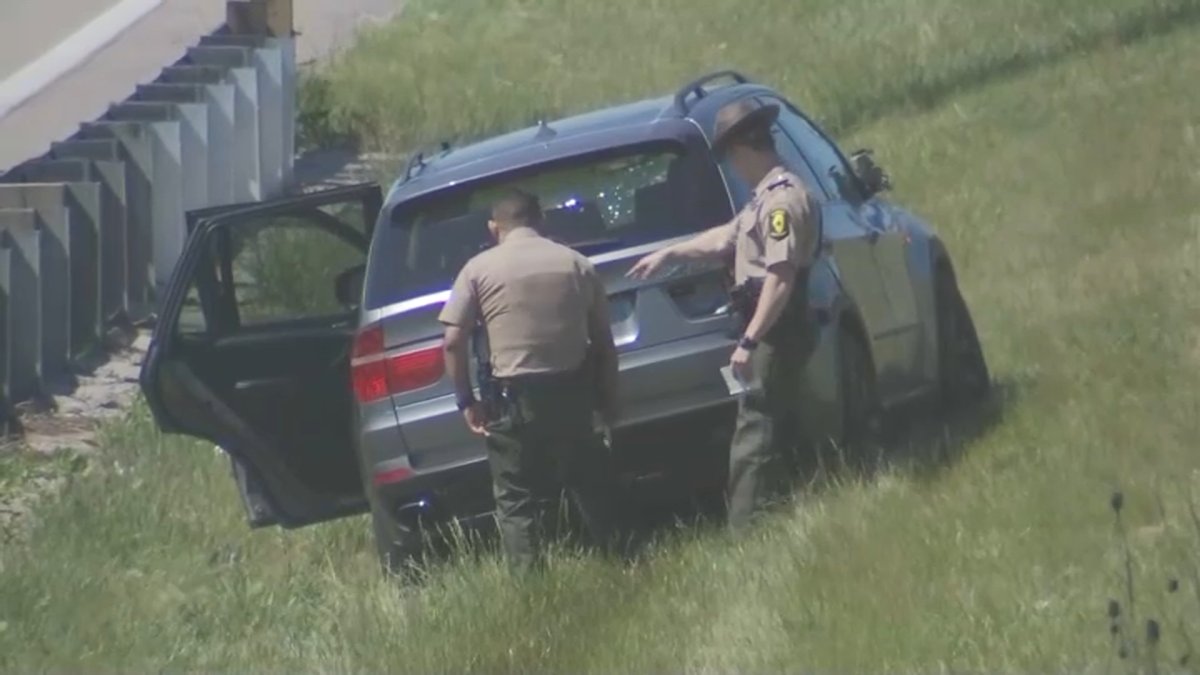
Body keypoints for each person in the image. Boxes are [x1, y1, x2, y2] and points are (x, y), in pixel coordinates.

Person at [626, 98, 822, 530]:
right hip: (766, 324)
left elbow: (781, 279)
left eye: (731, 157)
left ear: (742, 150)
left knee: (756, 427)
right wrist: (671, 252)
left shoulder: (780, 204)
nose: (733, 167)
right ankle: (785, 511)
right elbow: (724, 239)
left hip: (774, 327)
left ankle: (745, 530)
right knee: (773, 422)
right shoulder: (762, 199)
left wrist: (750, 340)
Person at [438, 188, 622, 572]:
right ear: (542, 221)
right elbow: (604, 343)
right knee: (590, 481)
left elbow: (453, 340)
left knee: (516, 496)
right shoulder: (576, 264)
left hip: (513, 399)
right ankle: (619, 558)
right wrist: (607, 399)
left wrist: (465, 400)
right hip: (574, 390)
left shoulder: (478, 269)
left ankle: (530, 581)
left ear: (494, 228)